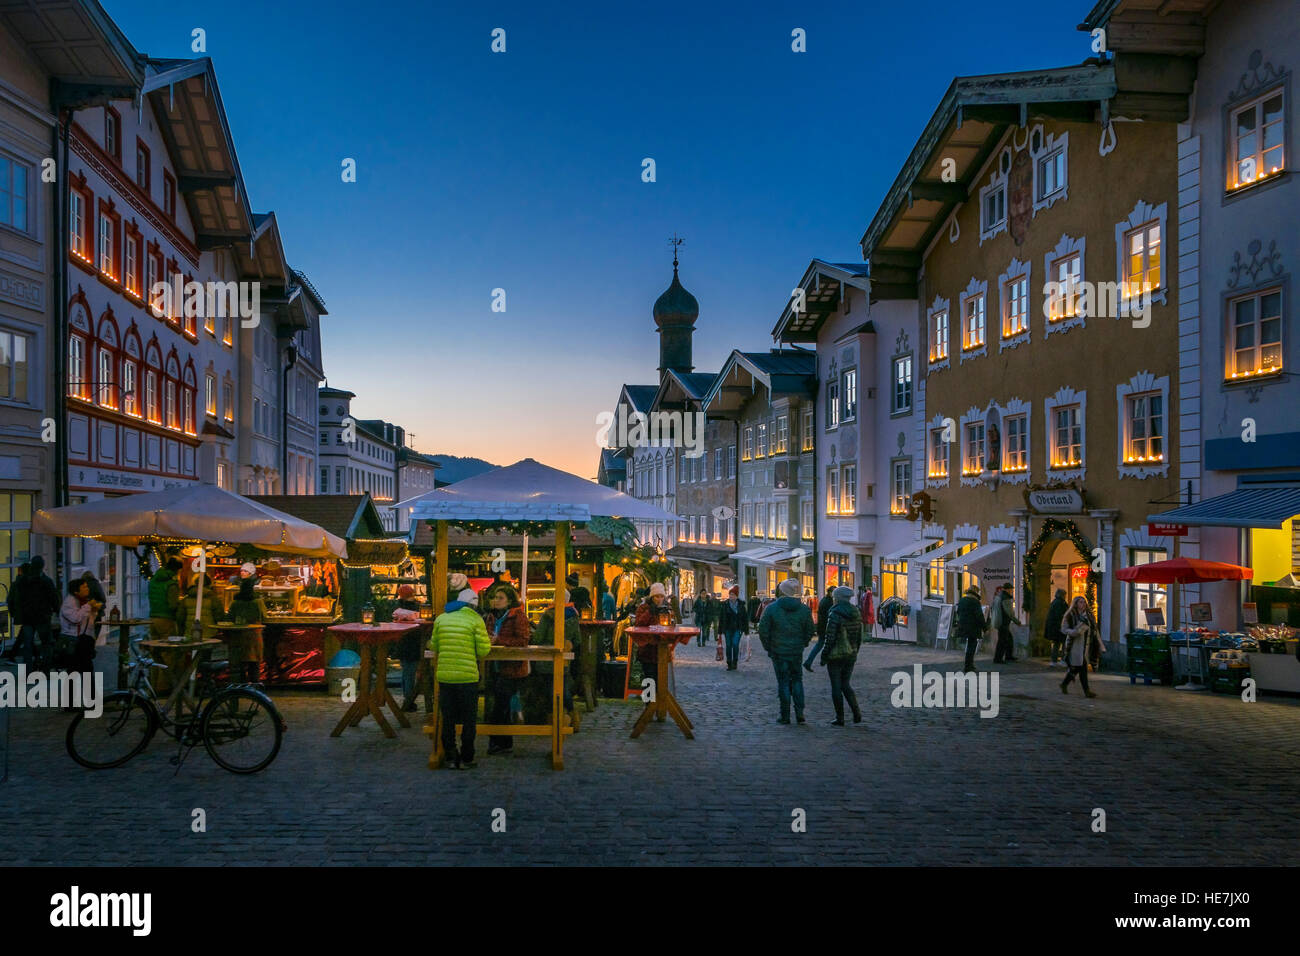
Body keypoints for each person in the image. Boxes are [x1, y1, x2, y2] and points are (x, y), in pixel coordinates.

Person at [429, 587, 491, 768]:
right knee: (468, 719)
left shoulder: (441, 618)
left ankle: (450, 756)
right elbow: (483, 650)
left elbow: (434, 646)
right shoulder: (476, 620)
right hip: (467, 677)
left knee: (447, 718)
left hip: (445, 676)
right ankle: (467, 756)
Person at [758, 578, 814, 724]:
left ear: (781, 591)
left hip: (778, 651)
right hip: (796, 651)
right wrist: (803, 643)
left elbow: (763, 630)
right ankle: (800, 713)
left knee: (783, 681)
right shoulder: (804, 609)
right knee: (797, 680)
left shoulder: (771, 608)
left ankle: (785, 715)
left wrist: (768, 647)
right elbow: (810, 630)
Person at [484, 584, 530, 754]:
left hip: (512, 667)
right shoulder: (491, 616)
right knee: (499, 706)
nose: (496, 601)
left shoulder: (517, 617)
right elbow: (488, 635)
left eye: (500, 598)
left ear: (509, 600)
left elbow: (523, 640)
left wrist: (499, 640)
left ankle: (496, 742)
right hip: (495, 666)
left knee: (500, 706)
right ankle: (504, 742)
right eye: (495, 597)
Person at [530, 589, 581, 725]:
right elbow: (577, 640)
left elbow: (538, 637)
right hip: (564, 658)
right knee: (563, 687)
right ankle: (572, 717)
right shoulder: (573, 615)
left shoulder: (548, 615)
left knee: (549, 689)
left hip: (547, 658)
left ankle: (554, 720)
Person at [819, 586, 863, 725]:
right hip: (851, 653)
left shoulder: (834, 614)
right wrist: (855, 651)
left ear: (837, 598)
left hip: (836, 655)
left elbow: (830, 637)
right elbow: (859, 636)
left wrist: (824, 655)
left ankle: (840, 717)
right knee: (846, 684)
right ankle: (856, 714)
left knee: (836, 686)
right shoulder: (856, 612)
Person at [10, 556, 59, 668]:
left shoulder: (23, 580)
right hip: (42, 616)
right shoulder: (46, 581)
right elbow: (53, 598)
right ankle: (46, 669)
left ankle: (28, 669)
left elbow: (18, 598)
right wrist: (56, 610)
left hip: (27, 617)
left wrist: (17, 612)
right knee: (46, 644)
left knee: (28, 645)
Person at [59, 579, 100, 692]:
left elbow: (88, 621)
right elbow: (76, 619)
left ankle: (84, 702)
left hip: (84, 640)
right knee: (76, 671)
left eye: (87, 586)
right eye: (84, 587)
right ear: (76, 591)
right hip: (74, 641)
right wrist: (88, 607)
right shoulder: (69, 602)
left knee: (82, 670)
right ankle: (81, 703)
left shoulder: (82, 601)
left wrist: (94, 611)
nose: (87, 589)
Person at [389, 584, 424, 711]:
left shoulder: (397, 609)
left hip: (403, 644)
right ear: (413, 594)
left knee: (406, 673)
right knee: (411, 673)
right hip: (415, 644)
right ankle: (409, 700)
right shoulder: (418, 608)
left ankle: (407, 698)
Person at [226, 577, 267, 682]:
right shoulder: (258, 602)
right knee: (254, 665)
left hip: (239, 636)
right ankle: (254, 688)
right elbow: (264, 616)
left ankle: (241, 687)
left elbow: (230, 617)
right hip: (254, 635)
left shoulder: (235, 603)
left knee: (240, 665)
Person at [1060, 596, 1102, 698]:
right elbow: (1064, 629)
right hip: (1075, 645)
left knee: (1076, 668)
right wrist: (1073, 632)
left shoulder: (1089, 616)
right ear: (1076, 604)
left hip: (1087, 645)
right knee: (1082, 667)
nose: (1082, 604)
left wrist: (1100, 644)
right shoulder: (1070, 615)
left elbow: (1095, 631)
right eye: (1080, 602)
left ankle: (1064, 684)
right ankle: (1086, 691)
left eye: (1084, 602)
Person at [174, 573, 220, 640]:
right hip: (209, 634)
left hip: (189, 633)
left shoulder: (186, 599)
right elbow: (219, 616)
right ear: (208, 584)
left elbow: (180, 617)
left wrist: (182, 632)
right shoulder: (213, 599)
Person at [955, 584, 988, 674]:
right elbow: (979, 616)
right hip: (973, 627)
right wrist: (985, 628)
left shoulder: (962, 600)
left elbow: (958, 612)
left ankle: (969, 665)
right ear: (976, 593)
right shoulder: (975, 602)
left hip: (963, 625)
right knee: (971, 646)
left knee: (970, 645)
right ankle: (968, 666)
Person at [147, 557, 183, 640]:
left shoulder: (154, 580)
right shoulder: (171, 584)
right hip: (166, 618)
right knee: (167, 648)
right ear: (176, 570)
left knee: (155, 647)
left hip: (153, 617)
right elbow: (173, 604)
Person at [719, 585, 748, 670]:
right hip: (727, 629)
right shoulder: (725, 604)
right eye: (730, 594)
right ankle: (729, 663)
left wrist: (746, 631)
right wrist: (719, 631)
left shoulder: (741, 605)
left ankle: (735, 662)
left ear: (736, 595)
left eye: (733, 594)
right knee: (728, 645)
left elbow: (745, 619)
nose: (731, 596)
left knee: (735, 645)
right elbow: (721, 618)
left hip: (737, 629)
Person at [990, 582, 1020, 664]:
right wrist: (1017, 621)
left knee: (1008, 639)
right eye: (1011, 589)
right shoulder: (1005, 598)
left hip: (1000, 621)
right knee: (1002, 641)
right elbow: (1009, 612)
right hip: (1003, 622)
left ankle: (1008, 656)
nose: (1012, 591)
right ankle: (998, 658)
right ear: (1007, 589)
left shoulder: (999, 596)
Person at [1045, 588, 1069, 665]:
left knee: (1057, 644)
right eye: (1065, 595)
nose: (1065, 596)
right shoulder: (1060, 603)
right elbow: (1060, 615)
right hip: (1059, 627)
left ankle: (1054, 660)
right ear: (1062, 595)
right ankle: (1062, 660)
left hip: (1055, 627)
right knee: (1063, 643)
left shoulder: (1055, 602)